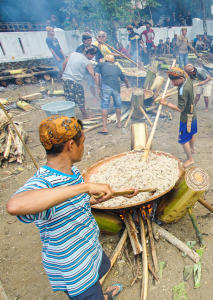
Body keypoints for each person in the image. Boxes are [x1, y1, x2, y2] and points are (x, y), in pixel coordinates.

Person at [6, 115, 138, 300]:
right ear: (70, 145)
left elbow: (78, 202)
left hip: (88, 248)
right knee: (88, 293)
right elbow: (14, 205)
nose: (84, 146)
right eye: (82, 141)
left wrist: (119, 193)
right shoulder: (44, 182)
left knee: (98, 277)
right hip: (74, 266)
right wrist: (85, 187)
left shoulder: (72, 172)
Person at [159, 67, 197, 167]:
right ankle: (192, 149)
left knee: (183, 140)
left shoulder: (183, 90)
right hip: (193, 113)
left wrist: (165, 103)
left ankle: (190, 159)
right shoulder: (187, 78)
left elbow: (180, 108)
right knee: (191, 133)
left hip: (186, 118)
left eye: (174, 81)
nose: (173, 83)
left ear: (180, 78)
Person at [94, 54, 129, 134]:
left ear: (105, 59)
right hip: (116, 87)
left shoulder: (100, 65)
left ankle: (104, 128)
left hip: (106, 86)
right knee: (118, 105)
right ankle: (119, 123)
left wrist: (98, 88)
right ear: (113, 61)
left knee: (105, 106)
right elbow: (125, 79)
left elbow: (96, 75)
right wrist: (127, 86)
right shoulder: (117, 68)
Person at [62, 48, 97, 119]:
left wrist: (63, 73)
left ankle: (69, 115)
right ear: (89, 54)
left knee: (69, 98)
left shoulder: (73, 54)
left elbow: (64, 63)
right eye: (93, 56)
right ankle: (85, 115)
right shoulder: (86, 62)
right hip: (75, 81)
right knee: (80, 99)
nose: (93, 58)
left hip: (65, 79)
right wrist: (98, 84)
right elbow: (93, 74)